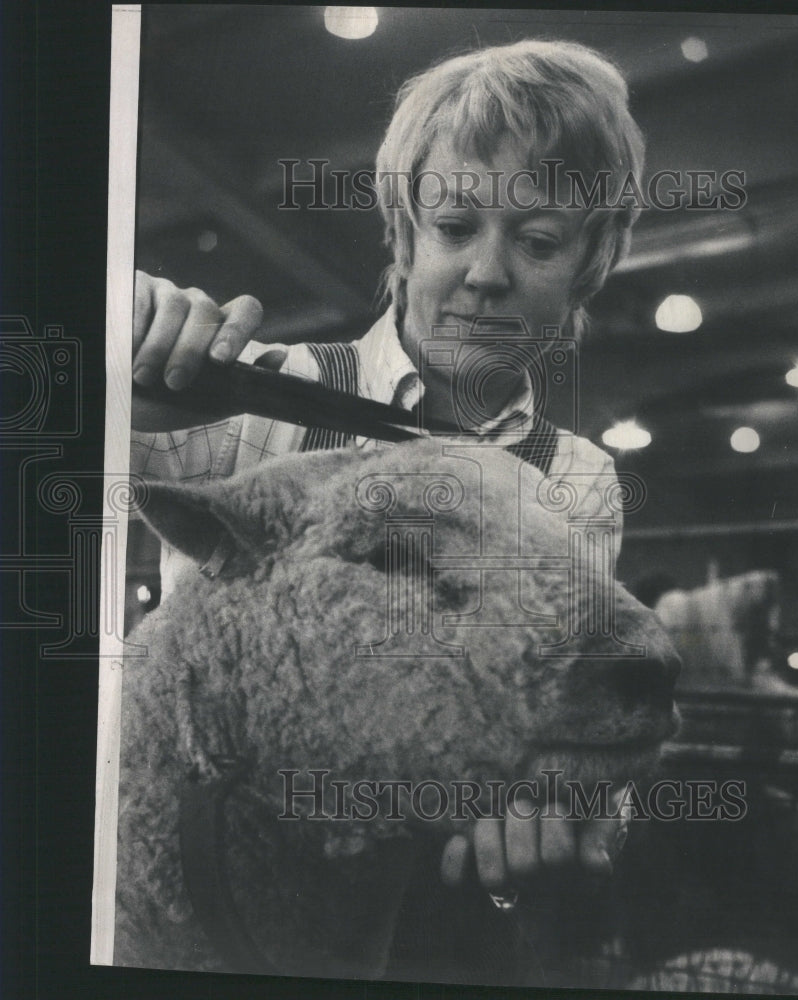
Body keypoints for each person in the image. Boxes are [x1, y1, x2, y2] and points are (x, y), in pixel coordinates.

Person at [128, 38, 653, 976]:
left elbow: (573, 716)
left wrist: (558, 831)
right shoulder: (261, 399)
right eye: (455, 227)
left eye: (536, 242)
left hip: (428, 933)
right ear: (404, 234)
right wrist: (113, 350)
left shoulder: (574, 478)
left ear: (587, 264)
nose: (486, 274)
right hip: (201, 930)